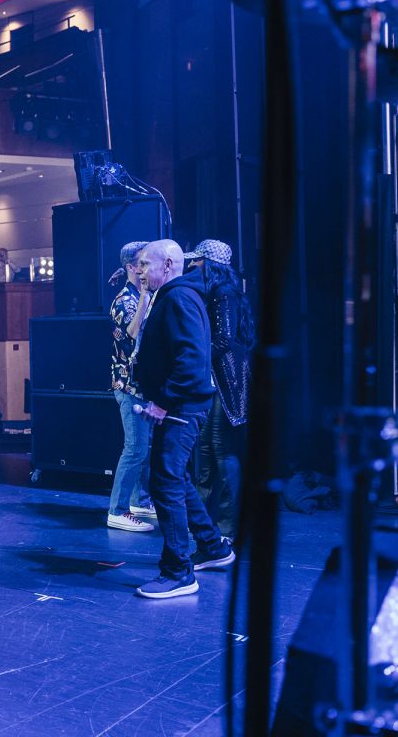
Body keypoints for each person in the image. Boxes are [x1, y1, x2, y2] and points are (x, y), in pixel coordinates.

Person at [132, 239, 235, 599]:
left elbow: (191, 360)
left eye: (145, 264)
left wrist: (163, 401)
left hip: (181, 407)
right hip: (182, 405)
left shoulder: (178, 297)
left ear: (167, 264)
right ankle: (212, 546)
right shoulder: (176, 295)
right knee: (175, 477)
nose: (139, 271)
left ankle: (178, 573)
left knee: (165, 483)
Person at [185, 239, 254, 541]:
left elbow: (224, 339)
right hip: (219, 378)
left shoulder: (223, 292)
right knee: (205, 448)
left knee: (221, 449)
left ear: (209, 264)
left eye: (197, 260)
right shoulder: (222, 291)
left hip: (225, 380)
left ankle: (227, 526)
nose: (191, 265)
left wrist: (196, 361)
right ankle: (202, 520)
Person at [106, 241, 157, 533]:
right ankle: (118, 510)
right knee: (135, 448)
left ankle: (139, 501)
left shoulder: (139, 295)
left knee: (142, 448)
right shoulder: (124, 300)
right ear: (131, 267)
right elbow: (134, 333)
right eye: (143, 262)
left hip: (141, 384)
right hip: (128, 385)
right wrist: (146, 298)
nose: (147, 266)